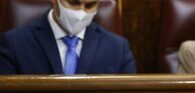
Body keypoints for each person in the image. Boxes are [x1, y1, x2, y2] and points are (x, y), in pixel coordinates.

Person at [0, 0, 136, 74]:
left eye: (89, 5)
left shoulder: (118, 48)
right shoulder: (14, 44)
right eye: (74, 3)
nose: (81, 13)